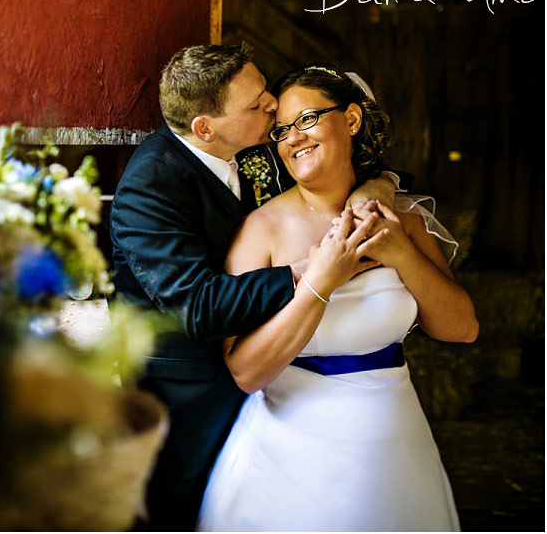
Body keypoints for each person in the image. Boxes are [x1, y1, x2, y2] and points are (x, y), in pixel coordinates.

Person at [109, 44, 405, 530]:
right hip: (190, 398)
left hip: (274, 380)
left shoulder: (257, 150)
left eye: (266, 90)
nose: (273, 105)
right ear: (205, 127)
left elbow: (357, 165)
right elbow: (198, 307)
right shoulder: (151, 185)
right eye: (257, 104)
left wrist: (382, 185)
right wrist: (310, 268)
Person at [198, 63, 478, 531]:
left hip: (397, 451)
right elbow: (245, 373)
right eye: (281, 129)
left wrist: (401, 253)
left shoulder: (402, 219)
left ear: (350, 120)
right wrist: (319, 283)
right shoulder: (260, 230)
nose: (292, 138)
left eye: (307, 119)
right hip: (289, 461)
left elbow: (462, 329)